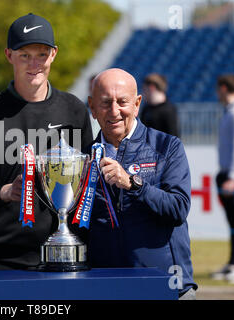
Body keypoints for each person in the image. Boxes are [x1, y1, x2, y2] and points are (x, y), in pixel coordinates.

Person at [0, 13, 93, 270]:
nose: (34, 63)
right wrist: (7, 192)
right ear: (9, 55)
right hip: (2, 258)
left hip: (66, 256)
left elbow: (88, 183)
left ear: (53, 54)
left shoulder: (74, 111)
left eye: (42, 54)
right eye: (25, 55)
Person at [86, 68, 197, 299]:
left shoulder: (167, 147)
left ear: (137, 104)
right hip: (106, 288)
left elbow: (178, 209)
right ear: (92, 107)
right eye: (105, 103)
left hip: (166, 286)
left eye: (122, 102)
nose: (114, 111)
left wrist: (132, 184)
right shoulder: (83, 158)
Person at [211, 74, 234, 284]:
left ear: (223, 88)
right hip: (226, 172)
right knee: (232, 221)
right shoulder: (229, 112)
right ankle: (233, 261)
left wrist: (232, 176)